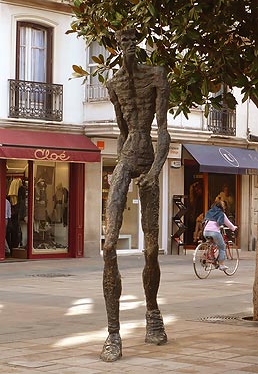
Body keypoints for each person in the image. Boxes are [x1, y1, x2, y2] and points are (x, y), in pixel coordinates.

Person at [100, 28, 171, 362]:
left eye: (132, 42)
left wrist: (155, 172)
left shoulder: (156, 76)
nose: (127, 47)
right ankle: (113, 334)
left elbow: (163, 132)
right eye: (122, 42)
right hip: (127, 159)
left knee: (152, 248)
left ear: (138, 45)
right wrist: (122, 170)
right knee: (109, 244)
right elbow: (122, 132)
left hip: (149, 162)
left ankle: (153, 315)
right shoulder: (114, 85)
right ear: (118, 47)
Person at [203, 200, 237, 270]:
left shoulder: (209, 212)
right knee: (222, 247)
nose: (224, 207)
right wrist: (234, 228)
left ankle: (210, 257)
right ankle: (221, 264)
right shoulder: (221, 214)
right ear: (221, 207)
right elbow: (228, 224)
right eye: (223, 205)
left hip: (205, 232)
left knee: (213, 244)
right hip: (214, 232)